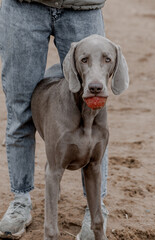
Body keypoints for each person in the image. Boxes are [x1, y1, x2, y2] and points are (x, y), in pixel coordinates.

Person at [0, 0, 108, 239]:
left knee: (94, 111)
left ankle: (95, 209)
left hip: (83, 6)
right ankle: (21, 200)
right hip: (23, 6)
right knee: (20, 111)